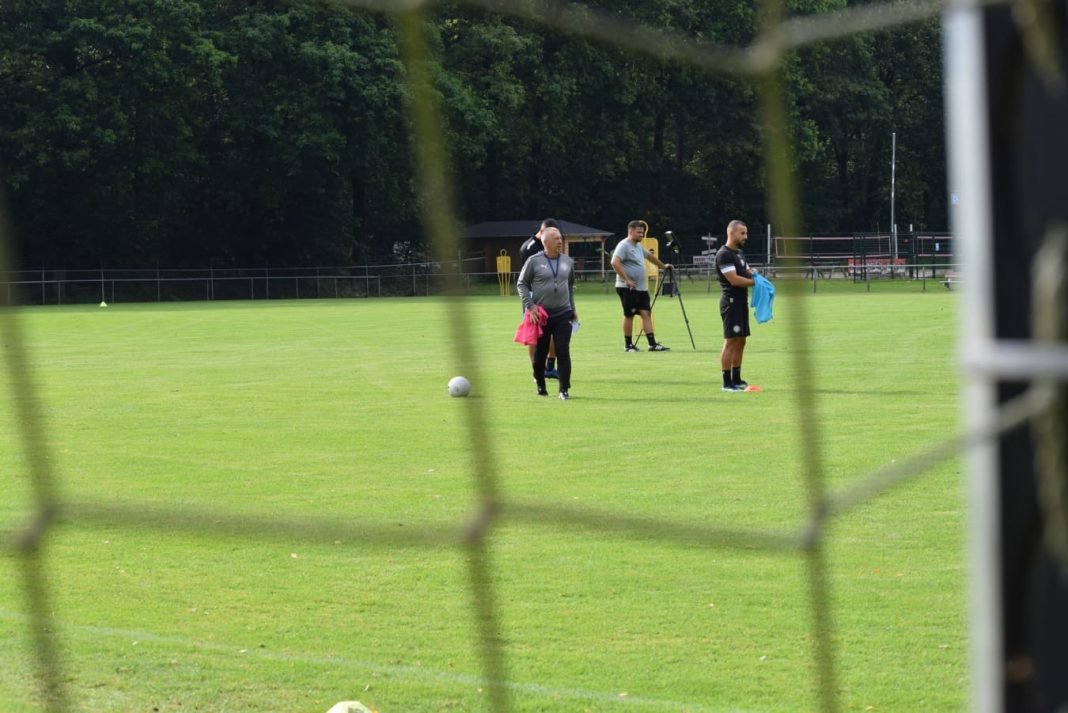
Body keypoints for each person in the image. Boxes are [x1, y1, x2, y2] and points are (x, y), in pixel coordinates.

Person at [517, 227, 577, 400]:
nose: (560, 241)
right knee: (540, 353)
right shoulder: (533, 261)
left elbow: (570, 286)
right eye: (556, 238)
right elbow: (521, 284)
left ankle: (563, 389)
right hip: (541, 316)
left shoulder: (567, 261)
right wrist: (531, 306)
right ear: (546, 242)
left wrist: (572, 308)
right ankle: (541, 384)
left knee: (563, 351)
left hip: (563, 314)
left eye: (560, 238)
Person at [610, 220, 672, 352]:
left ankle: (652, 344)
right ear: (630, 231)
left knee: (646, 313)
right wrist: (626, 280)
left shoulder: (638, 246)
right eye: (638, 232)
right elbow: (614, 262)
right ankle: (628, 345)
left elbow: (650, 256)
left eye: (642, 233)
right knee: (629, 314)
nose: (641, 235)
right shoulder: (624, 245)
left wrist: (663, 266)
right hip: (628, 287)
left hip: (641, 288)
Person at [714, 219, 758, 392]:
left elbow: (746, 271)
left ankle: (737, 378)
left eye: (746, 233)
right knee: (730, 342)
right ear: (731, 233)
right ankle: (726, 383)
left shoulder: (739, 253)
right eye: (742, 233)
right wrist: (754, 283)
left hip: (741, 302)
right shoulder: (724, 254)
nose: (745, 236)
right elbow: (734, 279)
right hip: (730, 302)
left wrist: (754, 274)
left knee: (741, 341)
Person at [519, 218, 561, 378]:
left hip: (551, 295)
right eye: (553, 236)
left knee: (554, 331)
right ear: (543, 232)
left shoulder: (552, 246)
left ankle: (550, 367)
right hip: (533, 296)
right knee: (534, 333)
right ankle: (538, 369)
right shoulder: (530, 248)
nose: (556, 240)